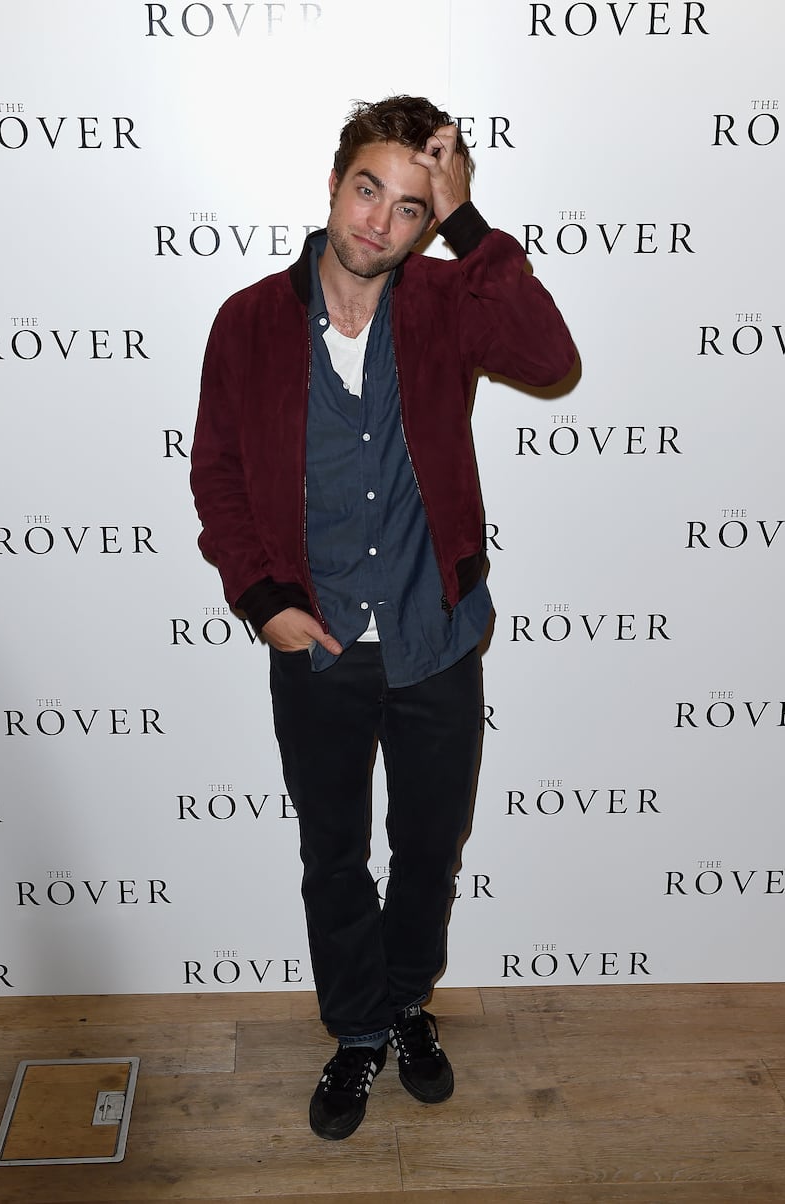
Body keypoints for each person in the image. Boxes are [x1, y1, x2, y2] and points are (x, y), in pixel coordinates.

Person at [190, 95, 575, 1140]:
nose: (378, 222)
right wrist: (260, 599)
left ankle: (407, 1002)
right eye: (369, 190)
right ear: (331, 184)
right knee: (333, 852)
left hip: (433, 634)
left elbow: (548, 357)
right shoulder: (248, 321)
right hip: (314, 644)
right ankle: (356, 1029)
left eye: (409, 207)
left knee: (426, 845)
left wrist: (469, 222)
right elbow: (217, 472)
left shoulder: (447, 303)